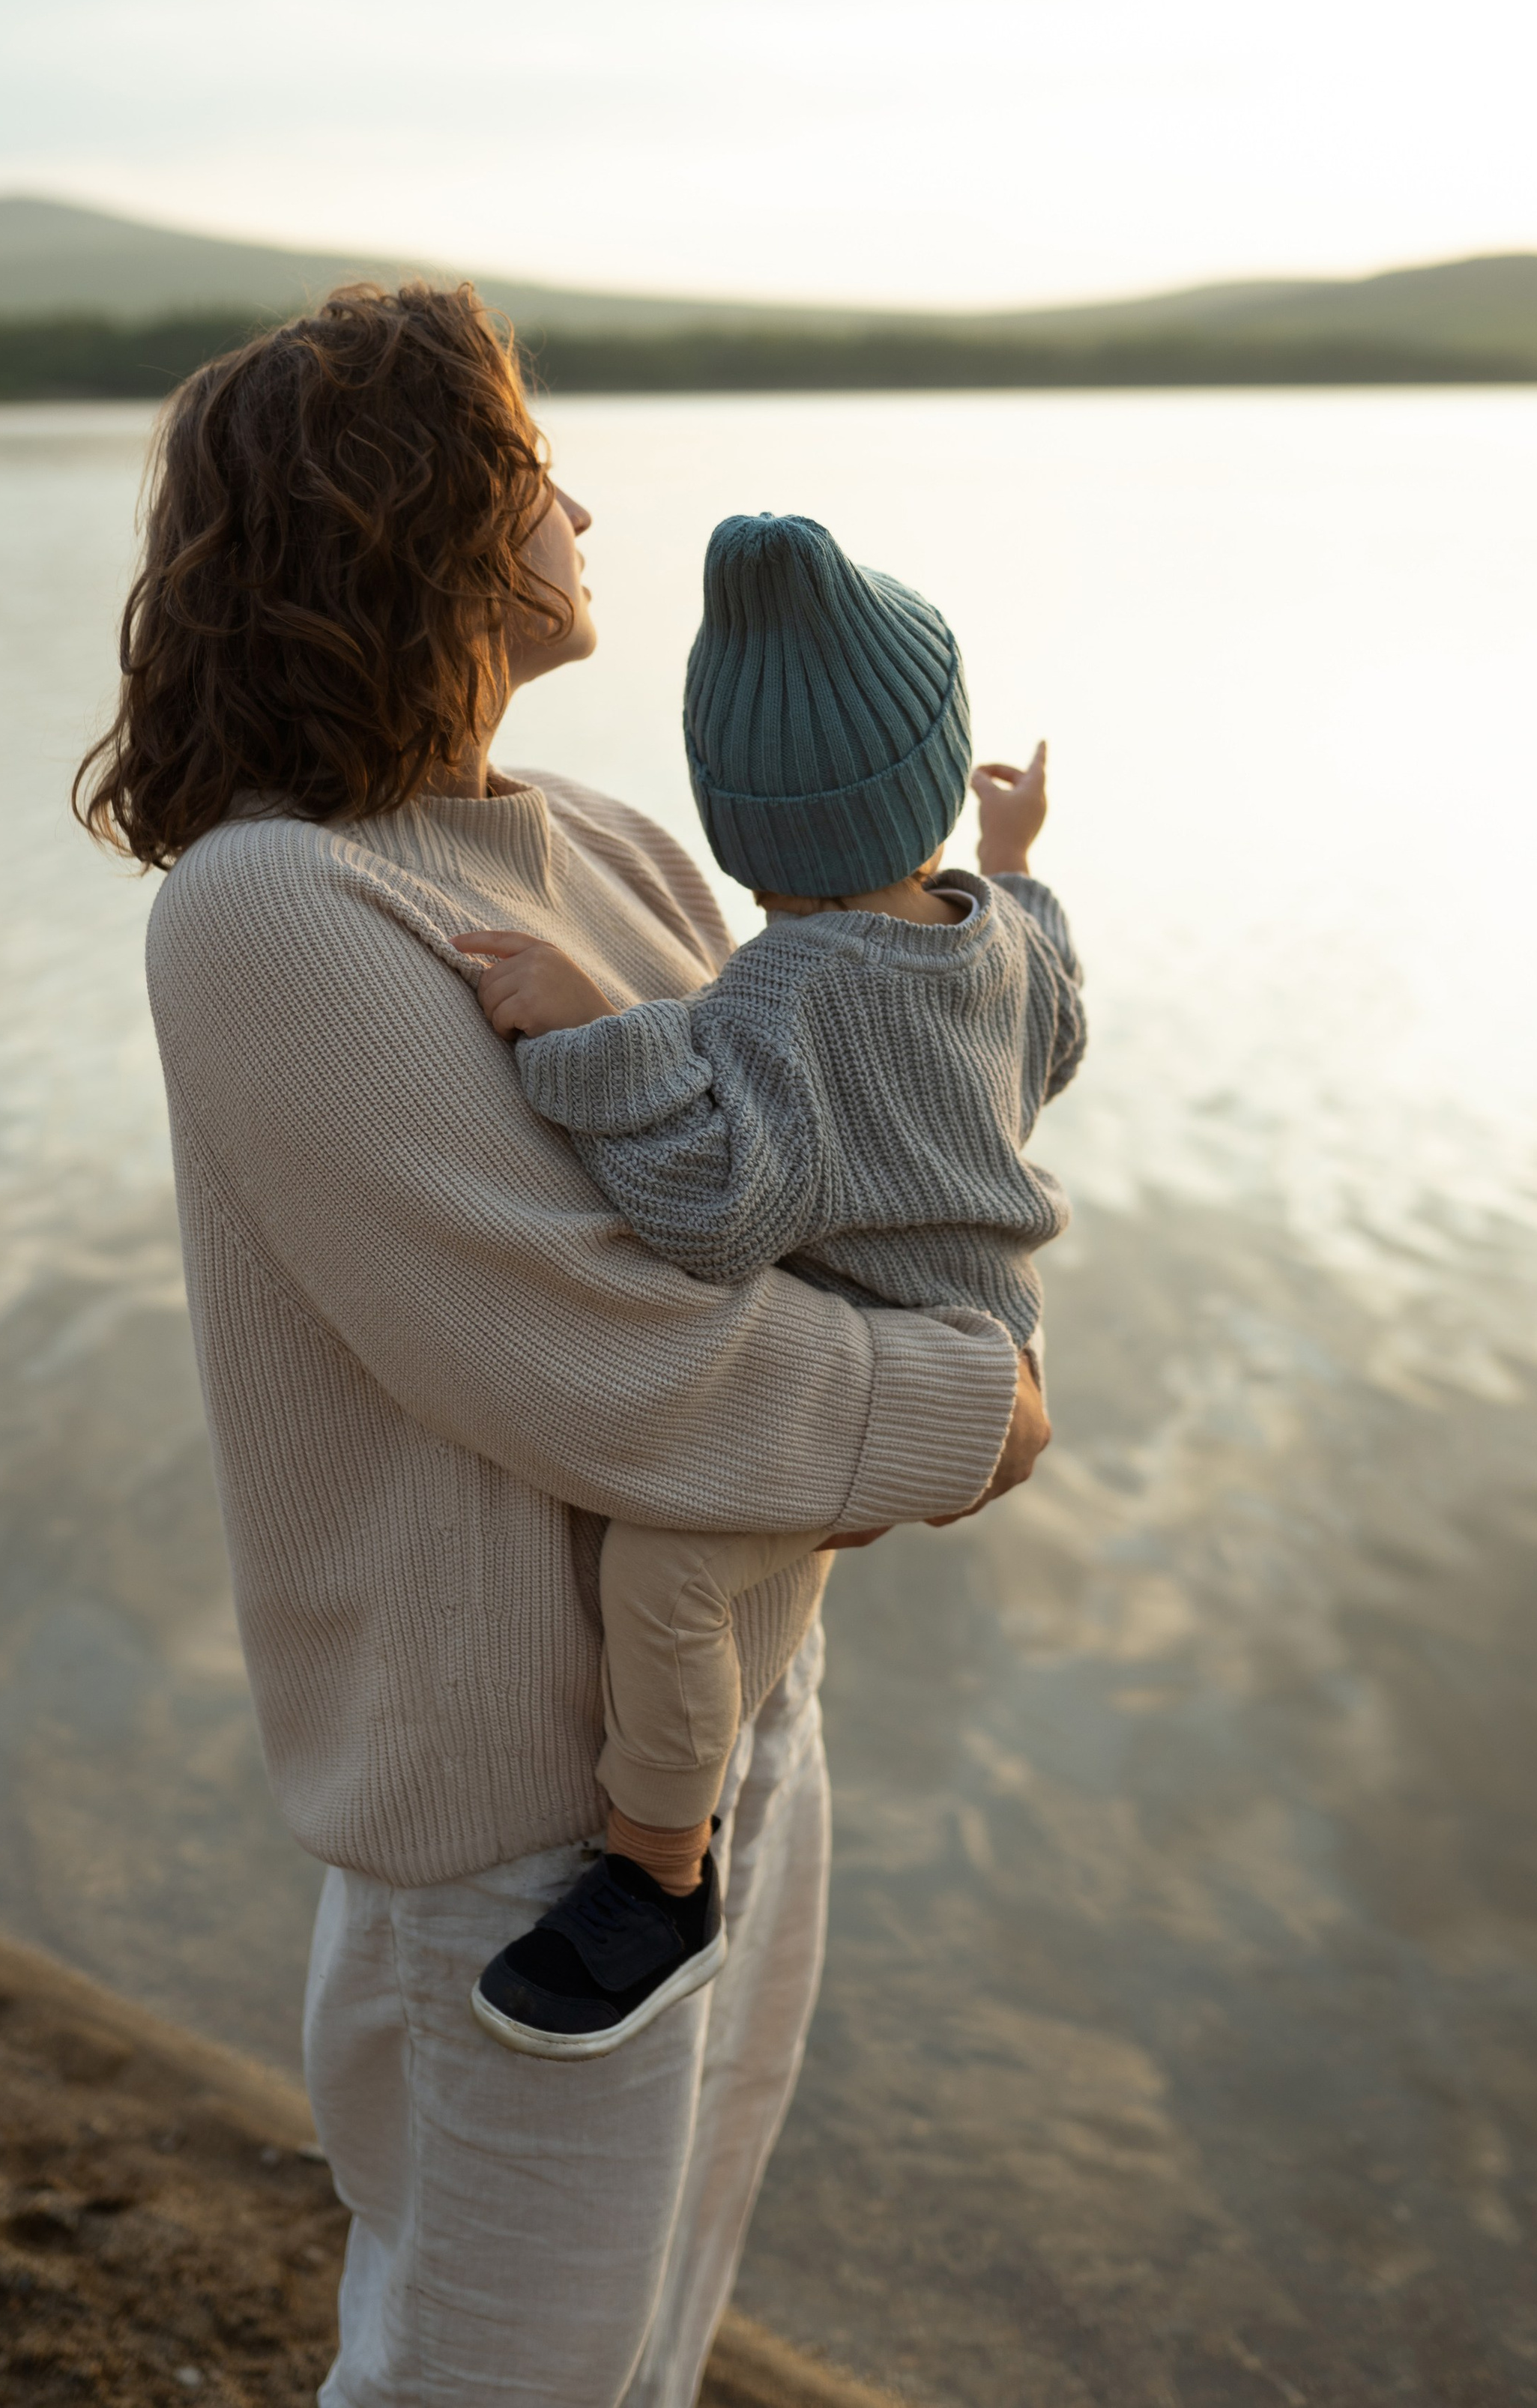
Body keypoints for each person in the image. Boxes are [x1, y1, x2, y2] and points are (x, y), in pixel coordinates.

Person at [74, 280, 1050, 2408]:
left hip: (734, 1731)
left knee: (661, 2332)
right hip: (530, 1820)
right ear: (414, 522)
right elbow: (602, 1358)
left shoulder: (598, 844)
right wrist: (974, 1407)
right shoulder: (274, 910)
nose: (579, 507)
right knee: (490, 2377)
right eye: (529, 472)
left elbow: (804, 1204)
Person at [452, 513, 1084, 2061]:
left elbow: (718, 1207)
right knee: (728, 1563)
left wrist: (591, 1031)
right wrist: (1012, 864)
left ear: (739, 839)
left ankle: (659, 1874)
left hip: (890, 1366)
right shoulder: (987, 937)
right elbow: (1058, 1027)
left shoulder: (782, 996)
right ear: (930, 782)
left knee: (659, 1575)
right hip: (994, 1330)